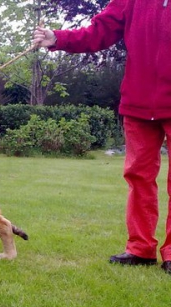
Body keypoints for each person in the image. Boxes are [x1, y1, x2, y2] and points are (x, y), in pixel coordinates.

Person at [32, 0, 171, 274]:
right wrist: (57, 38)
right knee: (138, 176)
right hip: (138, 102)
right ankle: (140, 249)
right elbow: (99, 31)